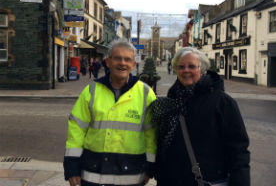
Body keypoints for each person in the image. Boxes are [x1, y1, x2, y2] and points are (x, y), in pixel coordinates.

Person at [149, 47, 250, 186]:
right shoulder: (171, 101)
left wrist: (240, 181)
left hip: (206, 181)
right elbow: (161, 145)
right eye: (181, 67)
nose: (186, 70)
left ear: (202, 70)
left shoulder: (222, 102)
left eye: (191, 66)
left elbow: (238, 148)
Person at [63, 39, 157, 186]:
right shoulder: (91, 91)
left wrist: (150, 167)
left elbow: (151, 134)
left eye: (127, 59)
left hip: (132, 176)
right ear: (108, 62)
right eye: (117, 58)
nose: (122, 63)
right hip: (93, 175)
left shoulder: (146, 93)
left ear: (133, 64)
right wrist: (72, 167)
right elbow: (76, 130)